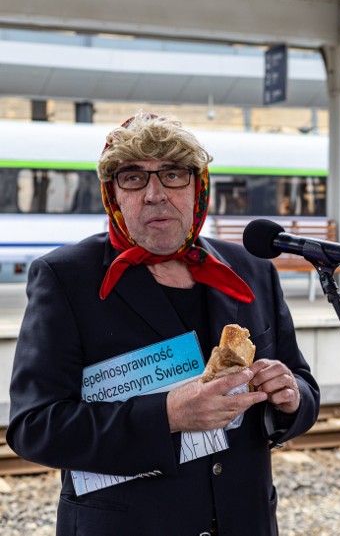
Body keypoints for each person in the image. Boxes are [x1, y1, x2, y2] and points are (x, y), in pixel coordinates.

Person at [7, 113, 320, 536]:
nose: (155, 194)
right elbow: (34, 428)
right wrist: (167, 416)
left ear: (198, 186)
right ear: (113, 194)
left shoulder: (250, 269)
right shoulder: (66, 278)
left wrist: (291, 399)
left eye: (173, 174)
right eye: (133, 178)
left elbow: (302, 383)